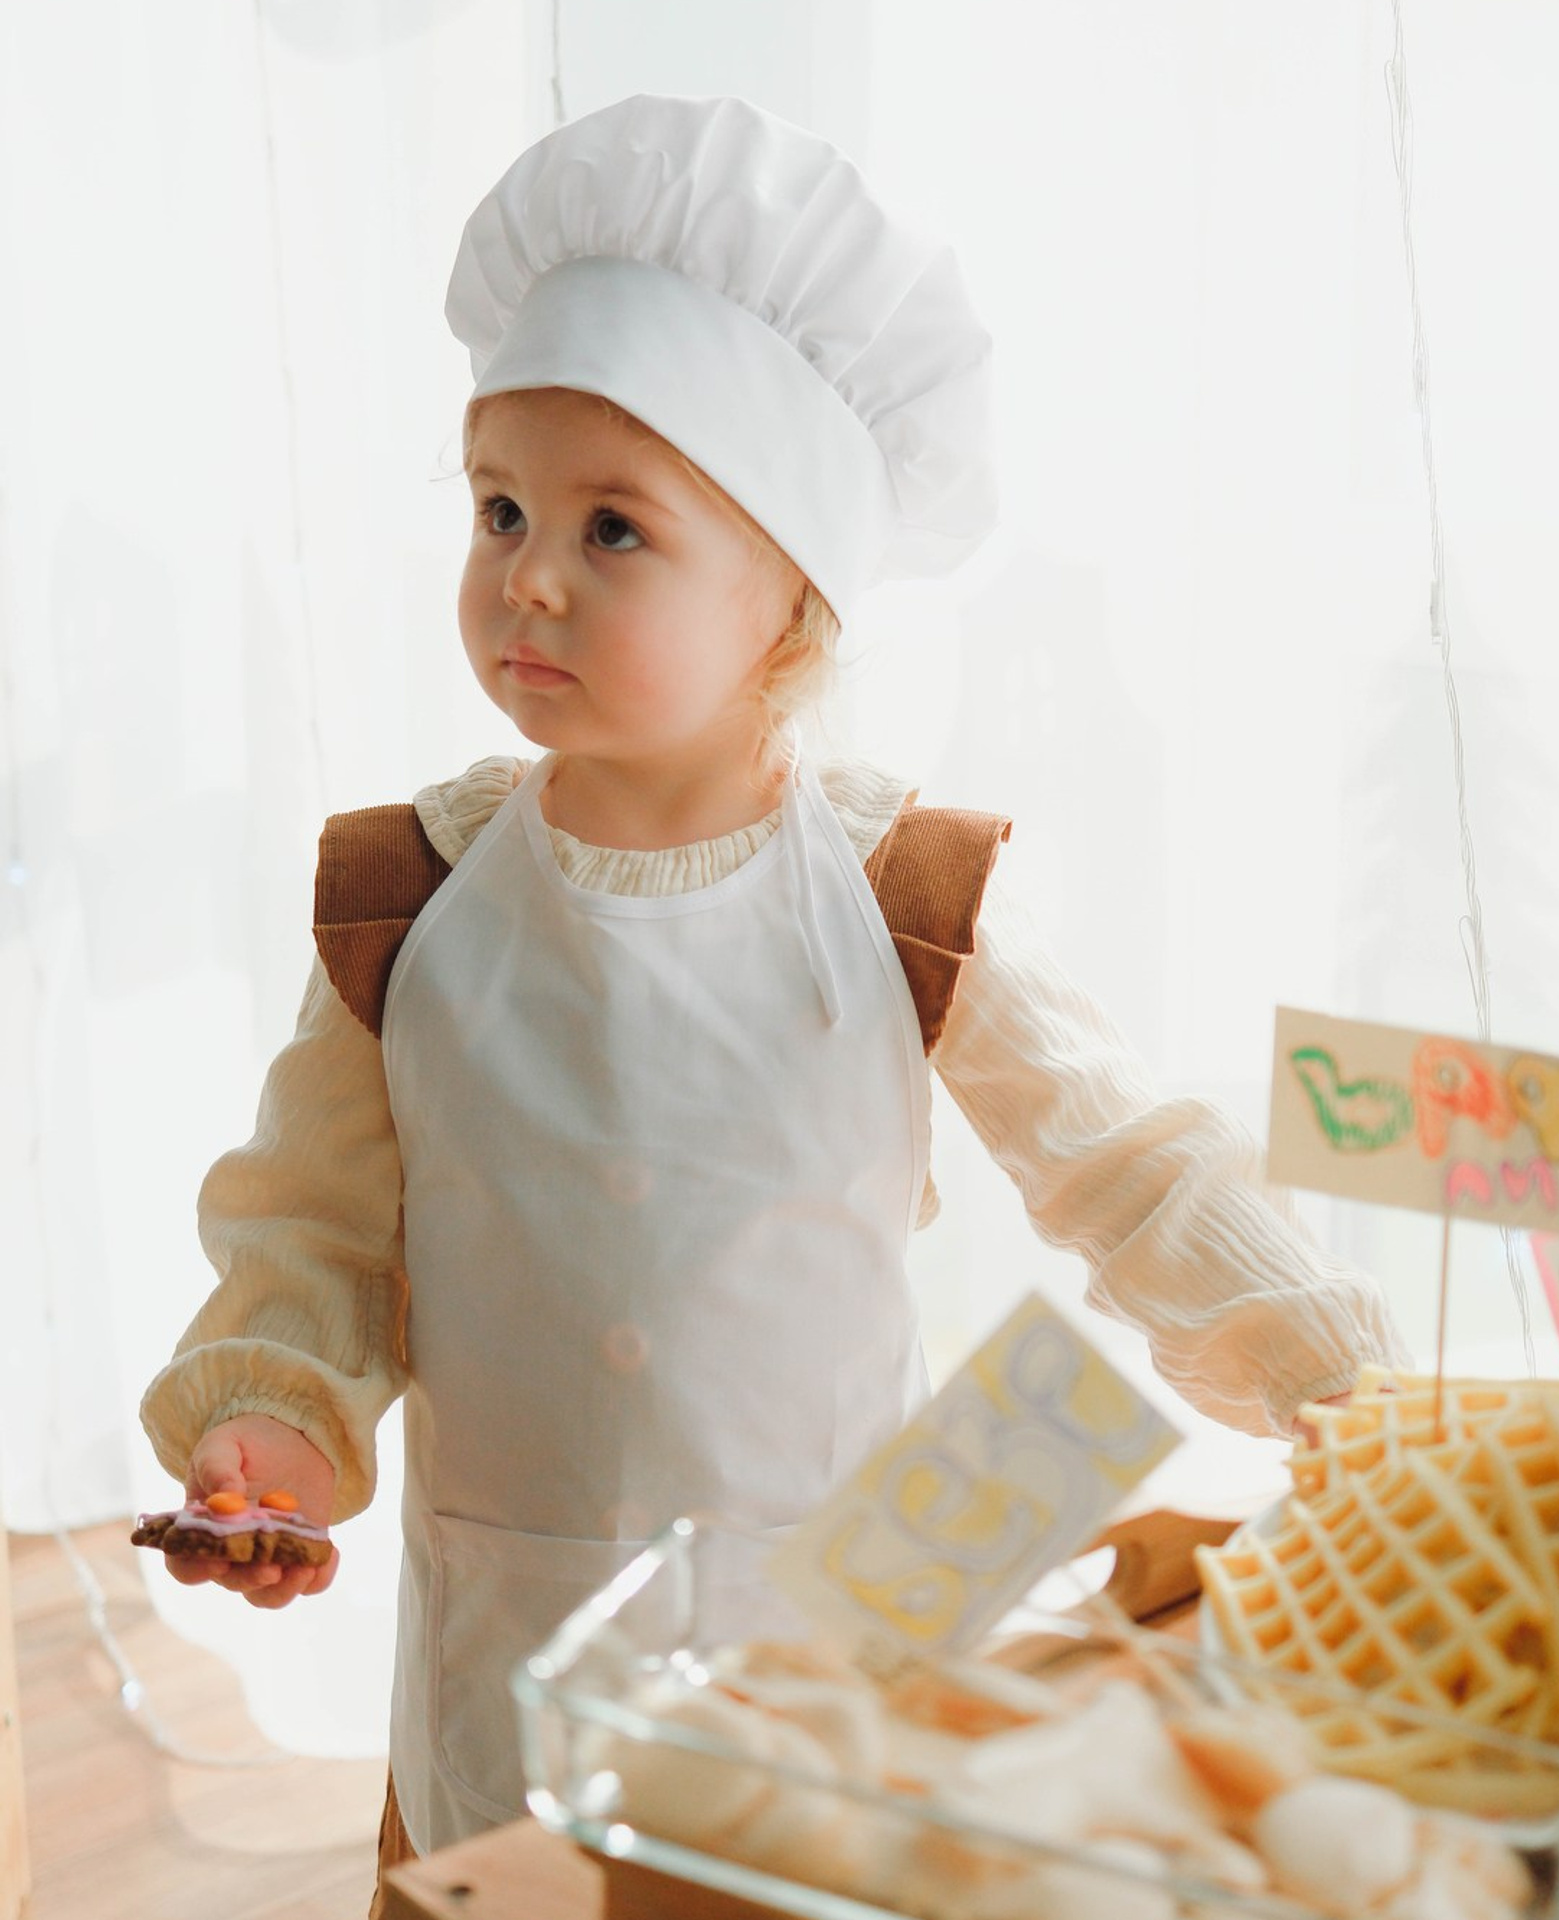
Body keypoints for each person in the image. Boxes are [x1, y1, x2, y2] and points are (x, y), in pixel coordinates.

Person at [138, 91, 1405, 1898]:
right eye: (499, 509)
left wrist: (1340, 1383)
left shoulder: (909, 899)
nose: (530, 577)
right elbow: (314, 1244)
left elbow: (1124, 1165)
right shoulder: (403, 901)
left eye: (615, 530)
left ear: (791, 602)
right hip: (504, 1668)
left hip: (829, 1684)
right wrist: (269, 1432)